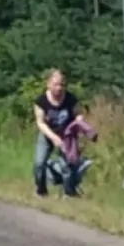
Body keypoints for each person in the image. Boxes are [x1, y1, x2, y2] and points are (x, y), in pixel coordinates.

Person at [32, 69, 83, 198]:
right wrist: (54, 137)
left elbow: (79, 115)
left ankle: (69, 192)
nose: (59, 88)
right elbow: (40, 123)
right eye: (56, 84)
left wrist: (78, 125)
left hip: (67, 135)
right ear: (48, 84)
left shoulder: (71, 99)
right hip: (48, 134)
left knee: (68, 165)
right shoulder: (41, 101)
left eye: (62, 84)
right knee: (39, 164)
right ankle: (41, 191)